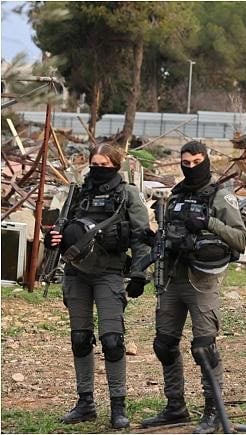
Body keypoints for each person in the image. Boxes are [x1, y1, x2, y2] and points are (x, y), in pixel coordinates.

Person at [141, 141, 246, 434]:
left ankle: (214, 412)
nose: (191, 168)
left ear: (206, 161)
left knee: (204, 348)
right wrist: (154, 241)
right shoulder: (175, 196)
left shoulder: (221, 196)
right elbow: (170, 233)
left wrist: (208, 221)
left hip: (202, 280)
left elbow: (241, 240)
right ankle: (175, 407)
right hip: (171, 278)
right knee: (164, 344)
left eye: (196, 162)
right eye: (185, 163)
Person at [44, 144, 150, 429]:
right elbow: (62, 228)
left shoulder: (127, 194)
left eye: (105, 164)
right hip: (76, 273)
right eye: (95, 164)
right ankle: (85, 403)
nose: (99, 169)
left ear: (116, 165)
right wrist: (52, 239)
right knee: (80, 339)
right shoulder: (78, 193)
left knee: (112, 341)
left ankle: (118, 406)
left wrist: (139, 273)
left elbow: (141, 236)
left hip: (109, 273)